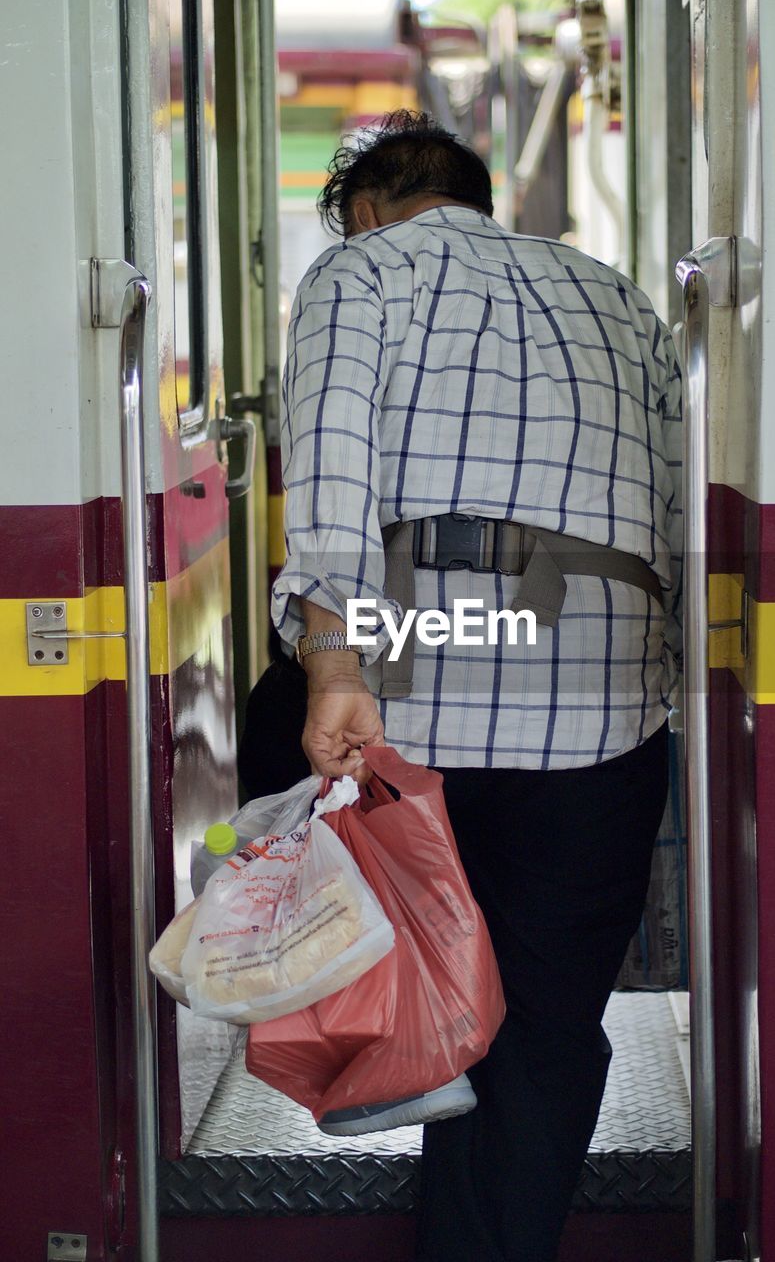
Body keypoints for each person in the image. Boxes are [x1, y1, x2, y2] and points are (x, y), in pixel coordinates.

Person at [269, 110, 682, 1262]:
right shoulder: (618, 297)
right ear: (475, 194)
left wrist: (332, 668)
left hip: (416, 716)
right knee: (548, 1029)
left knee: (430, 988)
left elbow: (333, 486)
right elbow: (669, 504)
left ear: (361, 211)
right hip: (601, 712)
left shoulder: (360, 277)